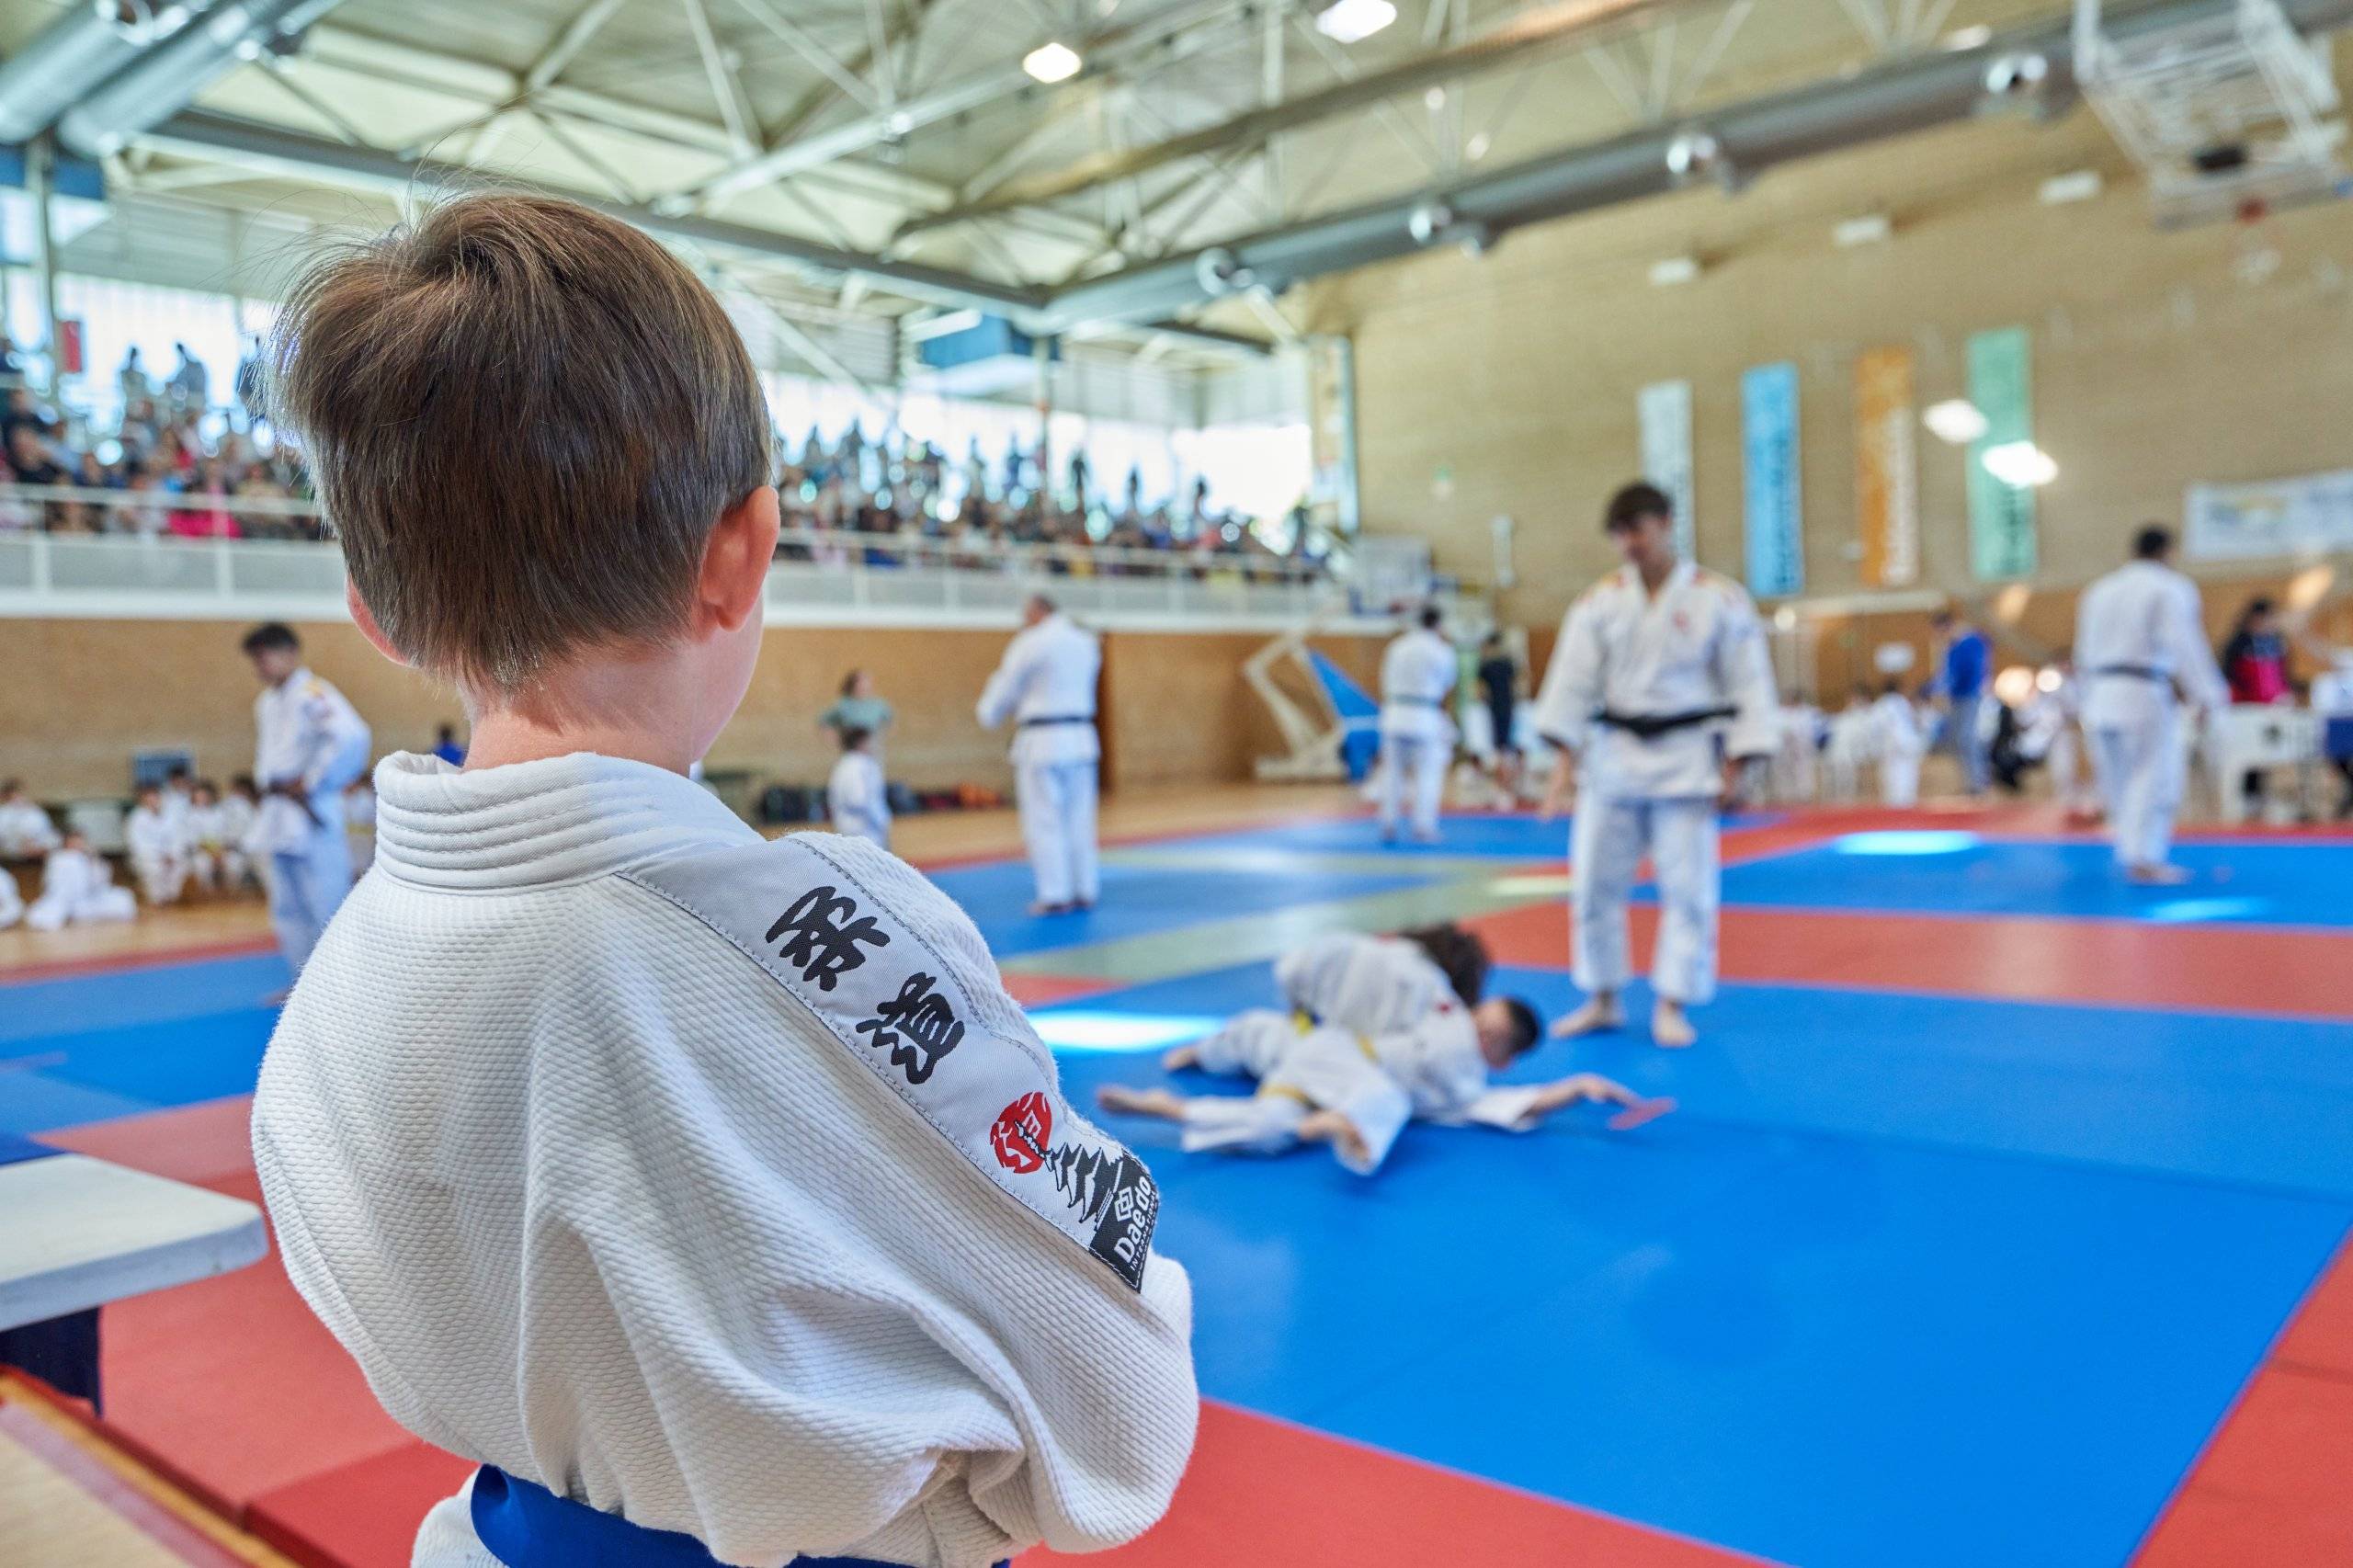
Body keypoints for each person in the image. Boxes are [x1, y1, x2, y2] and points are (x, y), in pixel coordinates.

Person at [247, 193, 1195, 1568]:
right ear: (741, 552)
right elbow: (1120, 1397)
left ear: (378, 613)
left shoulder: (334, 992)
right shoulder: (809, 936)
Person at [1533, 482, 1779, 1050]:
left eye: (1637, 530)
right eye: (1620, 535)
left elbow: (1749, 681)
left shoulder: (1719, 597)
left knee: (1688, 890)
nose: (1629, 545)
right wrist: (1562, 765)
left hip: (1687, 761)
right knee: (1593, 884)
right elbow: (1572, 683)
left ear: (1666, 523)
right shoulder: (1599, 601)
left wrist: (1738, 765)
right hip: (1614, 758)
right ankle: (1602, 997)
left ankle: (1673, 1001)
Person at [2075, 525, 2229, 883]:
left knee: (2118, 780)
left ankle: (2130, 850)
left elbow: (2083, 648)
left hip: (2099, 691)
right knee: (2152, 776)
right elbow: (2185, 644)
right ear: (2167, 551)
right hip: (2142, 691)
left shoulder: (2099, 590)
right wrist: (2207, 695)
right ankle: (2144, 857)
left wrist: (2085, 696)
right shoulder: (2168, 587)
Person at [242, 622, 372, 988]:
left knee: (326, 900)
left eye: (265, 657)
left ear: (290, 654)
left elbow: (352, 737)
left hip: (311, 809)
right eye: (256, 660)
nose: (260, 667)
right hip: (277, 812)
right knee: (288, 907)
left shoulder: (313, 692)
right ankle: (303, 988)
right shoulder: (266, 703)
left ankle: (345, 987)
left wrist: (315, 779)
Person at [977, 592, 1104, 915]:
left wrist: (988, 713)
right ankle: (1084, 888)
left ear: (1037, 611)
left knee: (1044, 820)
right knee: (1079, 818)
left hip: (1043, 740)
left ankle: (1054, 894)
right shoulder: (1086, 642)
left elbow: (1007, 685)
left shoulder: (1031, 641)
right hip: (1081, 737)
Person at [1376, 606, 1458, 844]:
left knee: (1392, 773)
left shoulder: (1397, 646)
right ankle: (1423, 826)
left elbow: (1385, 679)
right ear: (1438, 624)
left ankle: (1388, 822)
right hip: (1424, 714)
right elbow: (1447, 683)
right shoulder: (1441, 650)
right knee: (1428, 773)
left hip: (1394, 712)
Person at [2220, 597, 2293, 815]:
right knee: (2246, 753)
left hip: (2273, 708)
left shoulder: (2277, 642)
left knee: (2268, 752)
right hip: (2245, 709)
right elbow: (2228, 676)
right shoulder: (2237, 644)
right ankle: (2247, 794)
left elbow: (2284, 674)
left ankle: (2262, 792)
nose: (2271, 623)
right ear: (2255, 618)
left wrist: (2285, 694)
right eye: (2267, 618)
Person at [1930, 607, 1994, 797]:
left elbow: (1972, 670)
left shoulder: (1970, 641)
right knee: (1958, 739)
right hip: (1956, 696)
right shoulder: (1951, 645)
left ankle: (1979, 781)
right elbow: (1947, 673)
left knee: (1967, 737)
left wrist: (1952, 685)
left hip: (1970, 695)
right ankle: (1969, 782)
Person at [25, 829, 137, 931]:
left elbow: (102, 881)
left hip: (89, 898)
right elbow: (53, 884)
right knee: (45, 915)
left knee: (123, 898)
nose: (78, 844)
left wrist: (94, 860)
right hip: (65, 899)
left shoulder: (88, 857)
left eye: (80, 841)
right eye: (74, 841)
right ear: (67, 842)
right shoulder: (59, 858)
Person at [826, 725, 891, 849]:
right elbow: (857, 800)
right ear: (861, 743)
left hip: (856, 830)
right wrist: (880, 821)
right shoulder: (858, 766)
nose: (875, 745)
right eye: (871, 741)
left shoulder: (845, 764)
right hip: (864, 832)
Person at [125, 783, 189, 905]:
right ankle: (157, 900)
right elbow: (137, 843)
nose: (152, 801)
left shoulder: (172, 815)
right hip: (148, 857)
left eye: (155, 797)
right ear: (142, 800)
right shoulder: (136, 818)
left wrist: (172, 854)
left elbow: (179, 837)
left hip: (171, 856)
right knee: (155, 870)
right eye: (148, 798)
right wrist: (159, 856)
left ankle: (172, 897)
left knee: (180, 867)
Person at [1476, 631, 1520, 795]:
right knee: (1507, 742)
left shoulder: (1486, 664)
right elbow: (1518, 684)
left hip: (1494, 706)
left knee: (1498, 743)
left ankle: (1502, 778)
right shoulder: (1507, 662)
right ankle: (1507, 778)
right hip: (1508, 705)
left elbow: (1479, 690)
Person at [184, 779, 245, 893]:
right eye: (199, 796)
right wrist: (212, 853)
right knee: (202, 865)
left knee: (235, 863)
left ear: (211, 796)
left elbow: (230, 834)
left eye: (205, 795)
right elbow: (192, 839)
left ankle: (230, 893)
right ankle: (209, 893)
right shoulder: (190, 815)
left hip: (223, 849)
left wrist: (222, 851)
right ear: (194, 797)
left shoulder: (222, 812)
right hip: (202, 851)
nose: (202, 799)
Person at [1872, 682, 1927, 807]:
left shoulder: (1881, 704)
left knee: (1892, 774)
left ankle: (1894, 802)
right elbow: (1916, 721)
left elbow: (1875, 727)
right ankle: (1908, 801)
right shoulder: (1903, 702)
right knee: (1908, 772)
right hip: (1909, 741)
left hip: (1892, 743)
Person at [819, 669, 893, 752]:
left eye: (867, 681)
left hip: (872, 746)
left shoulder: (878, 704)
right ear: (853, 684)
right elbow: (824, 722)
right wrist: (836, 740)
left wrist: (880, 738)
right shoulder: (843, 704)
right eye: (861, 681)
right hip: (850, 747)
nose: (865, 684)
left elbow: (890, 722)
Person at [0, 778, 61, 859]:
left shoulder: (33, 809)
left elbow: (47, 829)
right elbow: (4, 835)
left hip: (39, 843)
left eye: (19, 793)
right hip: (17, 847)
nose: (18, 797)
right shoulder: (4, 812)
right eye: (14, 794)